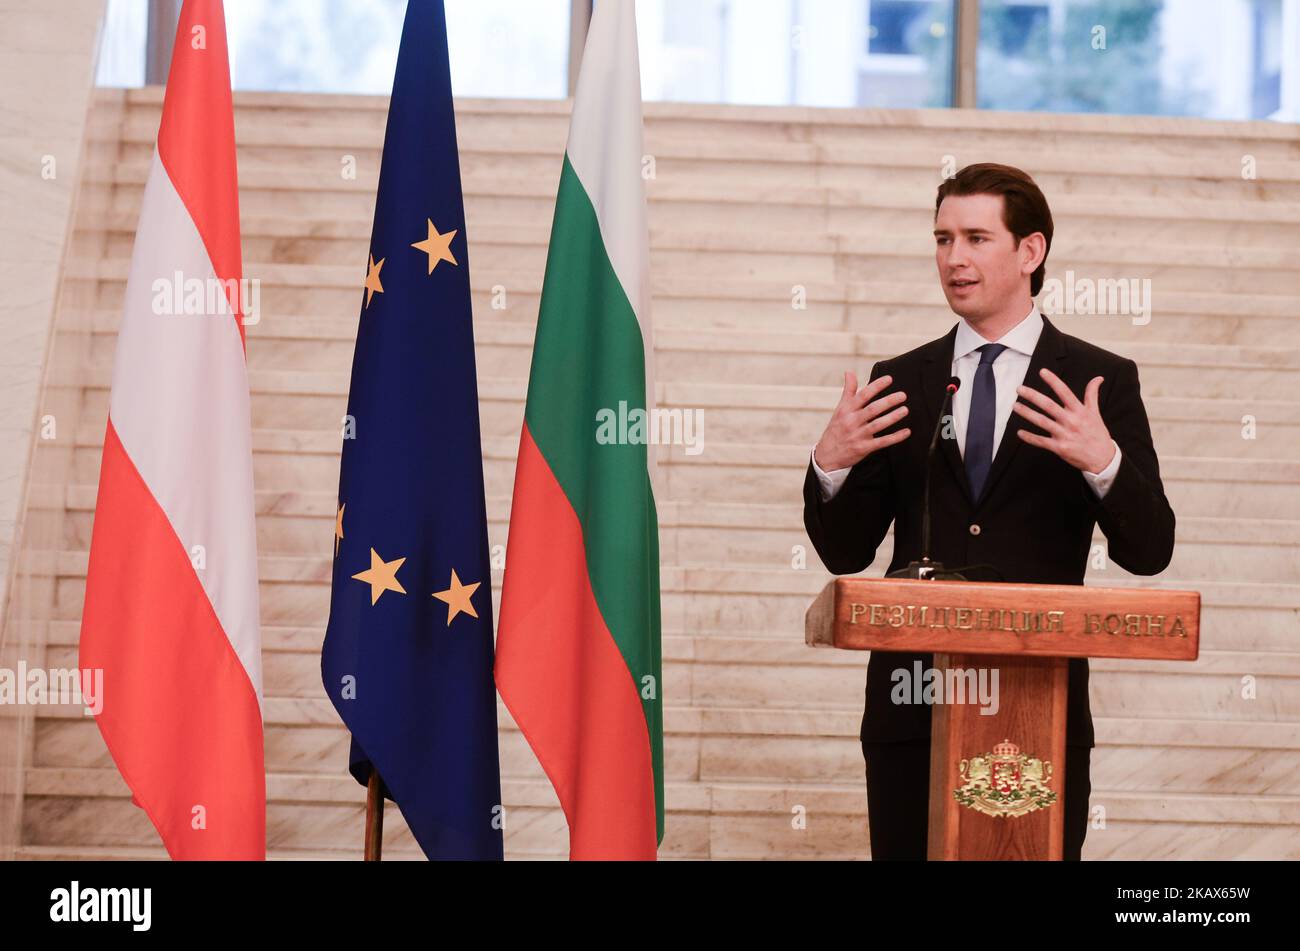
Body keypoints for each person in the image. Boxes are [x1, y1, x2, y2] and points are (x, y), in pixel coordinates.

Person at [802, 163, 1176, 860]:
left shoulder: (1097, 380)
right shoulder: (903, 379)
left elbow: (1151, 547)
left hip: (1040, 706)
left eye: (976, 237)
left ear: (1029, 252)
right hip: (914, 704)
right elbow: (846, 551)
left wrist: (1104, 462)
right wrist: (830, 463)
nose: (954, 258)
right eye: (943, 239)